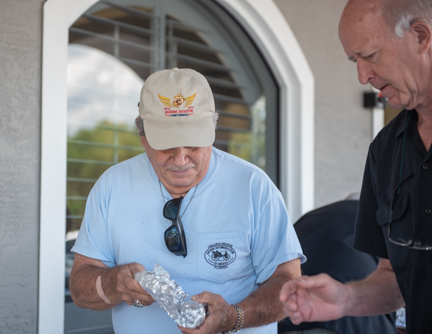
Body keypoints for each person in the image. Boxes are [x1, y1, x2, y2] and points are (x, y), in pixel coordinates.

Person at [69, 67, 305, 334]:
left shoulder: (253, 187)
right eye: (167, 144)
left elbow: (288, 286)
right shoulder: (112, 185)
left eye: (193, 143)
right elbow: (80, 288)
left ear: (212, 129)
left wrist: (233, 317)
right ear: (143, 136)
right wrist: (113, 284)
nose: (181, 159)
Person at [279, 0, 432, 333]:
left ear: (421, 36)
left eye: (371, 56)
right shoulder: (387, 149)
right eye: (354, 61)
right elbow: (394, 278)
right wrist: (346, 299)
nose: (363, 76)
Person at [278, 195, 397, 334]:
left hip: (292, 313)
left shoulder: (312, 216)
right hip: (354, 318)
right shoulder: (382, 219)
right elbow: (402, 279)